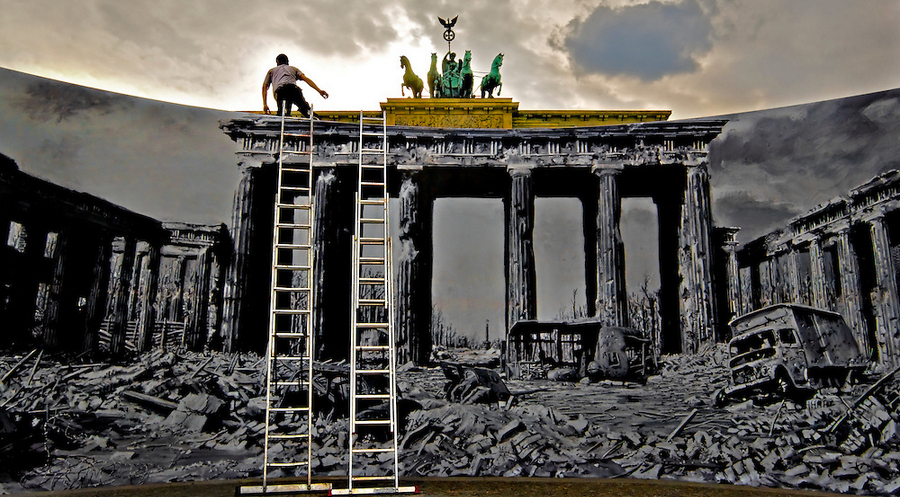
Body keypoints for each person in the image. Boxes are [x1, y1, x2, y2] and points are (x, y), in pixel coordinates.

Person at [262, 53, 329, 117]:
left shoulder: (272, 71)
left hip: (281, 92)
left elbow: (264, 86)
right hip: (294, 90)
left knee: (283, 113)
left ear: (277, 61)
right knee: (305, 109)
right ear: (287, 62)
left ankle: (284, 114)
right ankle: (311, 115)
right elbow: (306, 79)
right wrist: (319, 90)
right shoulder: (293, 69)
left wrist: (265, 104)